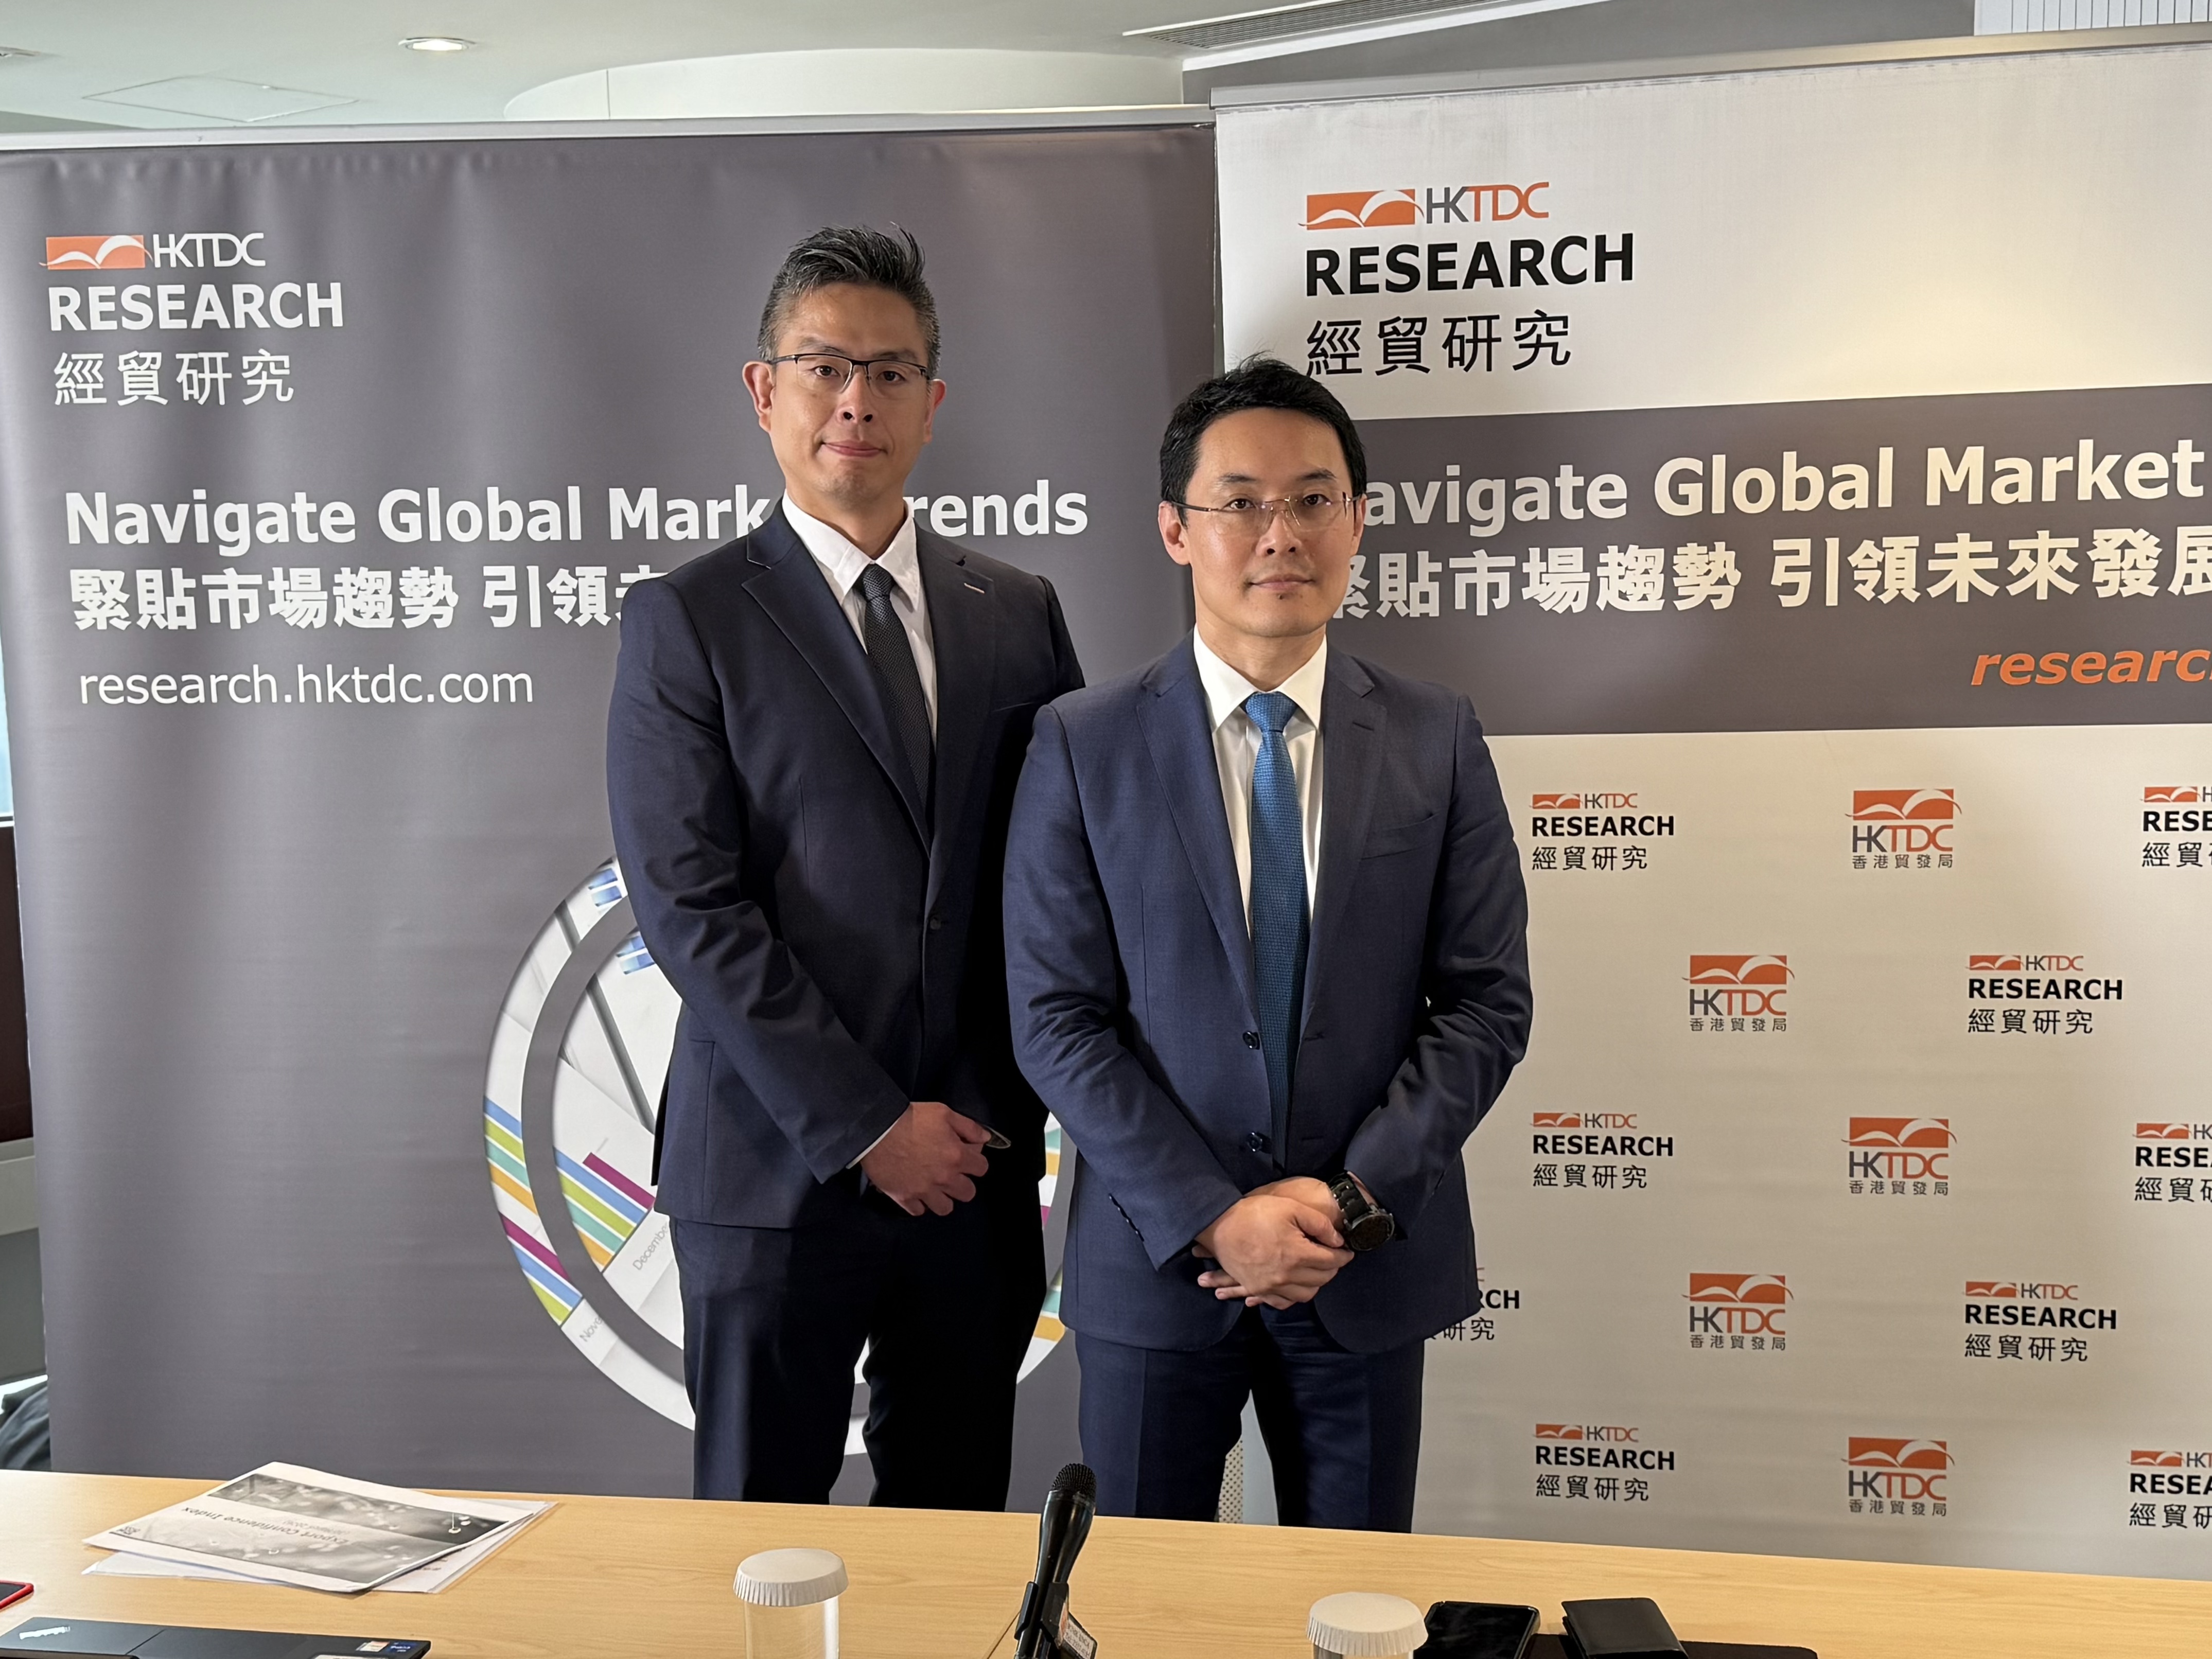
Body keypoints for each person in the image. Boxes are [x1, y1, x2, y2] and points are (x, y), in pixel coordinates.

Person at [1003, 357, 1531, 1530]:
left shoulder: (1435, 735)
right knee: (1140, 1604)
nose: (1279, 533)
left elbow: (1486, 1002)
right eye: (1239, 502)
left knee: (1354, 1604)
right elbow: (1055, 1017)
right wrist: (1212, 1212)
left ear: (1357, 519)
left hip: (1362, 1265)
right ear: (1175, 530)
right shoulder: (1082, 743)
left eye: (1312, 499)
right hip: (1159, 1264)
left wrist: (1347, 1200)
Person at [608, 225, 1083, 1506]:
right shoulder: (689, 617)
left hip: (974, 1164)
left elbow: (1058, 880)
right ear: (764, 390)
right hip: (772, 1168)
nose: (855, 401)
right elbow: (691, 905)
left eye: (889, 371)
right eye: (824, 367)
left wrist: (979, 1115)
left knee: (951, 1536)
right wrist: (869, 1125)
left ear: (934, 401)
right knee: (758, 1546)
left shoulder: (1018, 611)